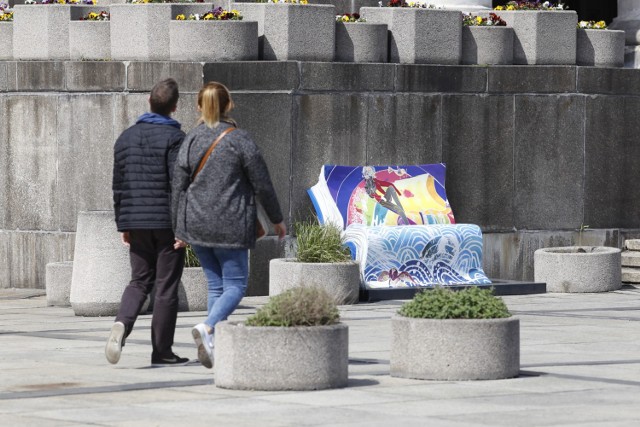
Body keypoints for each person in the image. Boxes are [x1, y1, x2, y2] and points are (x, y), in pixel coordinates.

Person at [171, 82, 286, 369]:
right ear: (229, 105)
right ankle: (208, 327)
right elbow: (263, 184)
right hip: (231, 223)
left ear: (199, 106)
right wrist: (276, 219)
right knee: (236, 285)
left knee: (215, 285)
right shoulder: (239, 140)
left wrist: (178, 228)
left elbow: (177, 187)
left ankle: (213, 346)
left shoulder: (191, 140)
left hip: (197, 224)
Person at [106, 78, 189, 366]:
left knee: (139, 281)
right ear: (175, 107)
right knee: (166, 287)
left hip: (137, 222)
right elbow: (179, 185)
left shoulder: (125, 138)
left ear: (148, 102)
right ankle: (162, 352)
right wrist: (183, 227)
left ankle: (122, 323)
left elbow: (118, 185)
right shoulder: (176, 139)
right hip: (166, 223)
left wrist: (123, 223)